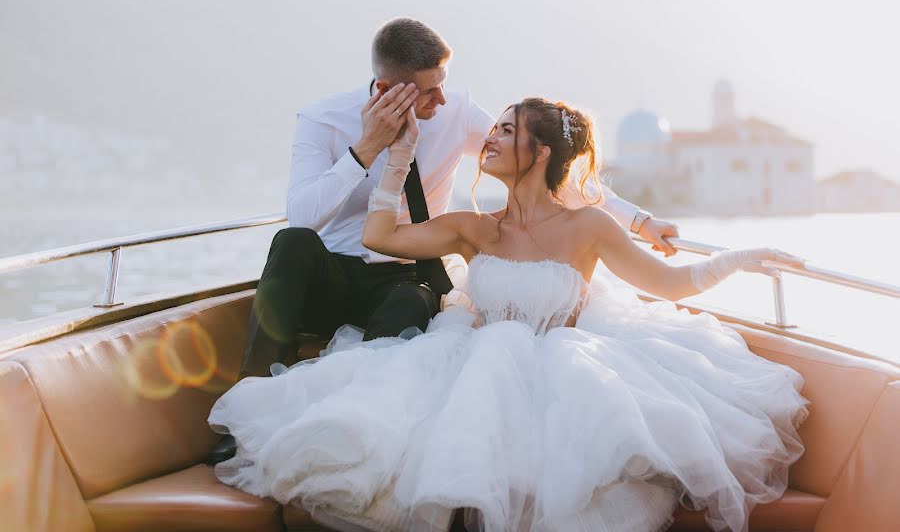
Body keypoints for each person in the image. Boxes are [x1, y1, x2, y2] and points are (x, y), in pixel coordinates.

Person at [208, 98, 810, 532]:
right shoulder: (476, 228)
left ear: (540, 151)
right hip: (469, 362)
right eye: (491, 128)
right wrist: (399, 158)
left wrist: (743, 256)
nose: (487, 140)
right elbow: (380, 234)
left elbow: (672, 281)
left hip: (564, 382)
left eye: (504, 131)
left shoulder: (588, 226)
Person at [207, 17, 677, 463]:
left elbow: (545, 164)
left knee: (411, 301)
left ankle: (356, 421)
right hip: (334, 272)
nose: (444, 102)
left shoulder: (454, 114)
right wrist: (367, 148)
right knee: (290, 243)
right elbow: (302, 217)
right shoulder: (322, 120)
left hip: (407, 278)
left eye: (443, 84)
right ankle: (244, 414)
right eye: (431, 91)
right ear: (391, 90)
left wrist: (639, 221)